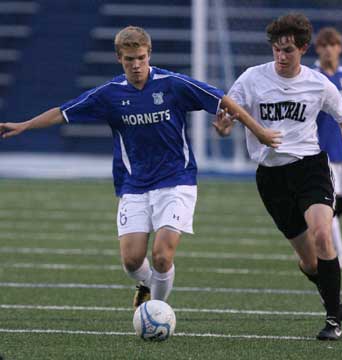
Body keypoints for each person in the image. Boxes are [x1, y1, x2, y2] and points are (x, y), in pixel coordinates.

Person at [0, 26, 281, 309]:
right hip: (134, 184)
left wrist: (259, 131)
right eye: (129, 59)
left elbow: (224, 100)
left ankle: (154, 311)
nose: (136, 65)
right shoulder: (109, 94)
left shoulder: (173, 84)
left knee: (161, 255)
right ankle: (146, 284)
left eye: (141, 58)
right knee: (132, 261)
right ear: (119, 59)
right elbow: (62, 113)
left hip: (176, 181)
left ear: (150, 55)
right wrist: (24, 125)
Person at [214, 14, 342, 340]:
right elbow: (228, 116)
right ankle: (335, 301)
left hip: (310, 168)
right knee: (309, 262)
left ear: (303, 49)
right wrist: (224, 128)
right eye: (277, 50)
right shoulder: (252, 78)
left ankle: (332, 321)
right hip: (271, 177)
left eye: (288, 50)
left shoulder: (319, 83)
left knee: (323, 234)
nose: (281, 57)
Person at [314, 27, 342, 270]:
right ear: (317, 48)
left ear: (340, 48)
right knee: (328, 205)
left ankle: (316, 231)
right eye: (324, 45)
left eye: (333, 45)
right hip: (321, 151)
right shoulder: (311, 76)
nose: (328, 49)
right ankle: (338, 255)